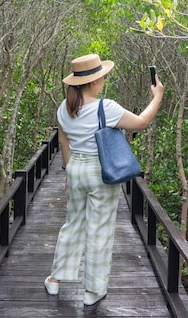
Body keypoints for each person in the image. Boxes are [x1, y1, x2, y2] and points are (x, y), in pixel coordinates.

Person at [44, 54, 165, 306]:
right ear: (93, 82)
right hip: (101, 173)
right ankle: (93, 290)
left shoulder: (63, 109)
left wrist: (68, 171)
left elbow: (64, 142)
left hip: (76, 168)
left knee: (73, 224)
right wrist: (158, 97)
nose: (104, 80)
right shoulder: (105, 108)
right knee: (99, 229)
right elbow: (141, 122)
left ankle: (56, 279)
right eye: (102, 77)